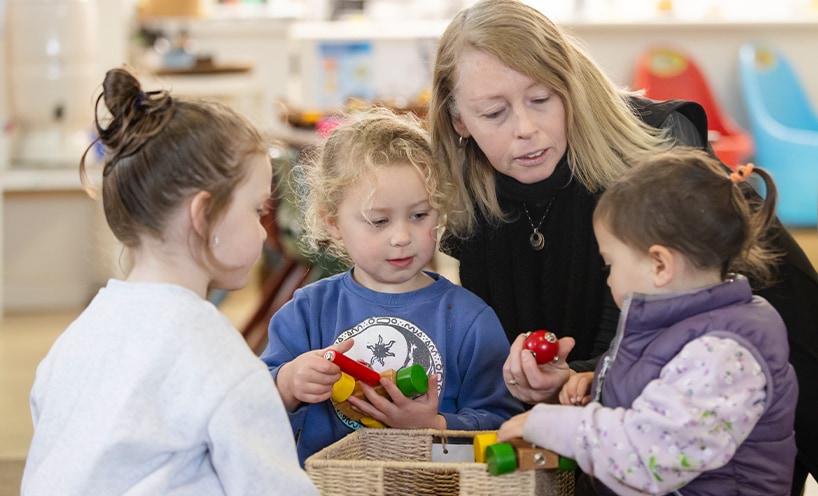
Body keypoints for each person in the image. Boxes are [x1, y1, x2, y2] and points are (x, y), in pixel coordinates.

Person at [428, 1, 818, 492]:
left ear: (570, 87)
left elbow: (664, 343)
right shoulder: (470, 200)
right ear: (459, 120)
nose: (524, 127)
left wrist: (578, 381)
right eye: (493, 112)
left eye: (542, 99)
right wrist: (547, 378)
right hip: (622, 441)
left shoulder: (656, 165)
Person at [22, 68, 317, 496]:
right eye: (257, 210)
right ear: (204, 216)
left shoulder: (77, 338)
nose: (261, 231)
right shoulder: (217, 356)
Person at [498, 149, 798, 495]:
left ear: (659, 265)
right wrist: (600, 385)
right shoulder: (682, 325)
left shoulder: (724, 352)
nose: (607, 279)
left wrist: (553, 425)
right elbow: (672, 392)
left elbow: (649, 455)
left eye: (610, 264)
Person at [259, 107, 523, 465]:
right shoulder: (307, 311)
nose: (401, 237)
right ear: (333, 222)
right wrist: (288, 385)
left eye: (419, 215)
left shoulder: (469, 319)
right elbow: (253, 410)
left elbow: (504, 429)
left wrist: (433, 425)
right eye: (379, 220)